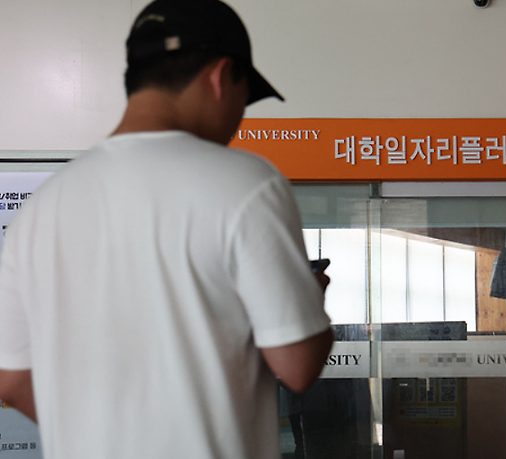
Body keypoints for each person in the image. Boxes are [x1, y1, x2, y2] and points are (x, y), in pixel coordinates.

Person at [0, 1, 333, 458]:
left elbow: (12, 379)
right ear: (221, 77)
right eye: (245, 99)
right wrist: (310, 295)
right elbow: (297, 365)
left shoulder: (41, 207)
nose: (239, 117)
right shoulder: (247, 184)